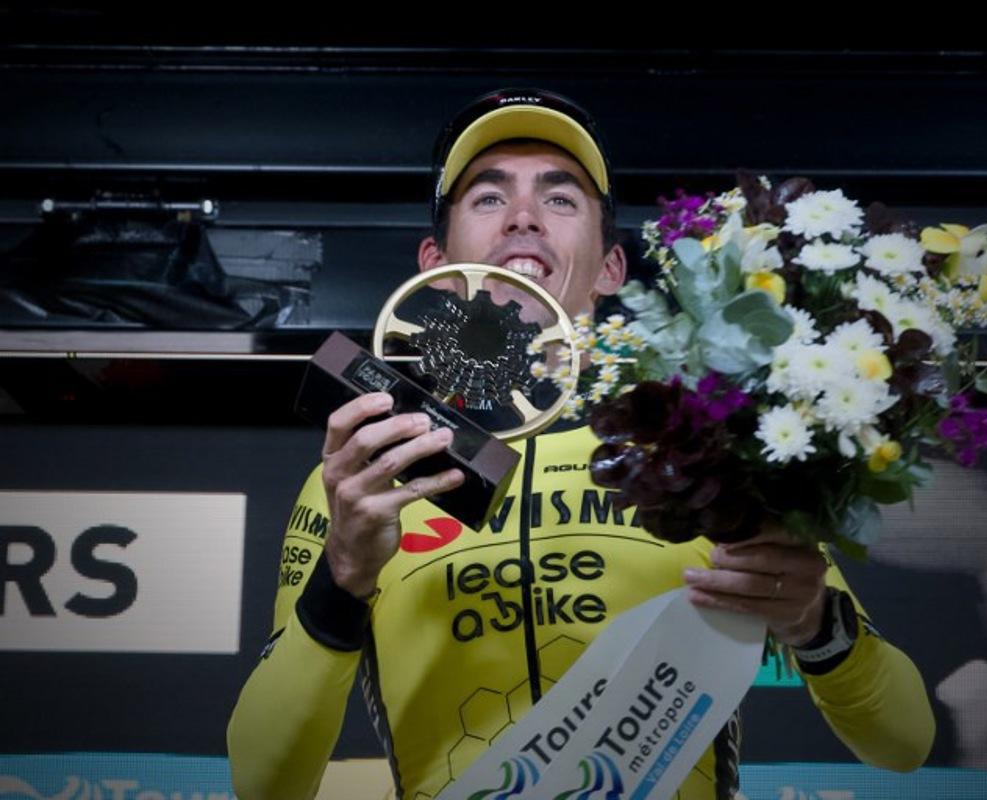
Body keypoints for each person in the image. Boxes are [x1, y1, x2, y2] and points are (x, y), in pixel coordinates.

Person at [227, 87, 935, 800]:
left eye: (560, 200)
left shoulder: (701, 456)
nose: (524, 219)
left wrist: (817, 626)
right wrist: (344, 573)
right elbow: (263, 782)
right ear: (433, 262)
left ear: (610, 269)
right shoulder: (368, 477)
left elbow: (904, 741)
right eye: (488, 198)